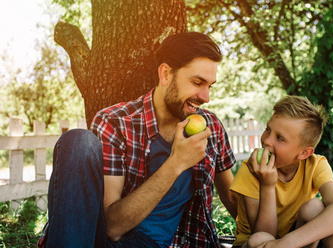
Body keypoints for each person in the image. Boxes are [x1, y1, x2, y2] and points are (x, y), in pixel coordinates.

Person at [38, 32, 237, 248]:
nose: (206, 97)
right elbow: (112, 228)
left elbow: (233, 201)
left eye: (210, 86)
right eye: (198, 82)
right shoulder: (115, 122)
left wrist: (267, 186)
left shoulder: (211, 127)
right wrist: (176, 164)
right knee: (77, 141)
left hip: (177, 243)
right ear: (165, 74)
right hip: (114, 242)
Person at [229, 96, 333, 248]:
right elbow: (264, 234)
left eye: (280, 138)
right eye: (268, 129)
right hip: (253, 244)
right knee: (260, 238)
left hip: (291, 242)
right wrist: (267, 186)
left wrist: (284, 244)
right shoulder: (252, 170)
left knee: (315, 208)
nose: (267, 141)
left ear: (304, 153)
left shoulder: (315, 165)